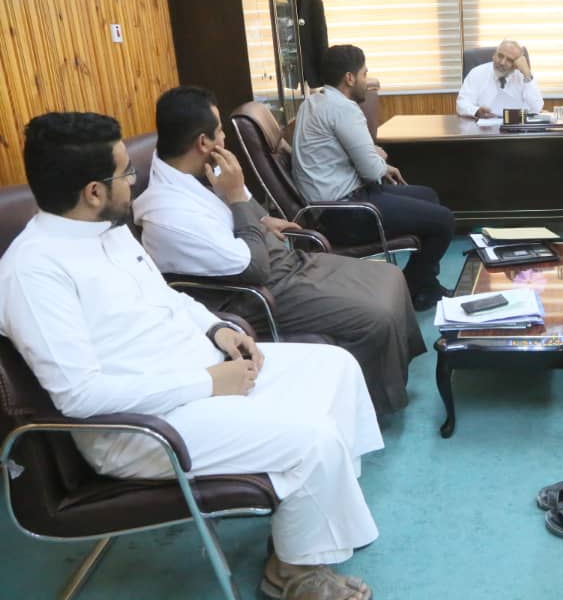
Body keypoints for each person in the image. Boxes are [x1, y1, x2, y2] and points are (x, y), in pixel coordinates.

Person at [0, 112, 382, 600]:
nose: (134, 182)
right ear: (93, 192)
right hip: (141, 428)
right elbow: (80, 396)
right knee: (314, 438)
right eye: (126, 173)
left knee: (336, 367)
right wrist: (209, 382)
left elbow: (167, 296)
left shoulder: (107, 230)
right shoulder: (34, 272)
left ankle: (312, 522)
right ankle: (292, 572)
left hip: (196, 374)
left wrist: (217, 328)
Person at [133, 86, 425, 418]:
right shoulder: (170, 214)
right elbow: (254, 269)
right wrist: (238, 201)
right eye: (221, 131)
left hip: (280, 262)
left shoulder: (201, 172)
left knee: (389, 274)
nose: (225, 138)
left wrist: (256, 216)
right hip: (260, 290)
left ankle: (394, 371)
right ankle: (369, 406)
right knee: (375, 316)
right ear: (203, 143)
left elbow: (252, 211)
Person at [291, 45, 455, 310]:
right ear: (349, 78)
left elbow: (352, 156)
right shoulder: (343, 108)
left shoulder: (313, 102)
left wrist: (375, 159)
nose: (366, 81)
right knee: (444, 221)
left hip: (334, 202)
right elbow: (371, 170)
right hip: (345, 212)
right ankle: (411, 286)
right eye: (364, 74)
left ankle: (426, 284)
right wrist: (377, 158)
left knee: (428, 196)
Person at [456, 40, 544, 119]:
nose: (502, 62)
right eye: (500, 56)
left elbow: (536, 108)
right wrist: (476, 111)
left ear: (516, 64)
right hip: (484, 128)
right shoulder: (477, 73)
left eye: (509, 60)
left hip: (516, 128)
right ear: (494, 55)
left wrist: (527, 75)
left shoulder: (522, 76)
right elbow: (461, 104)